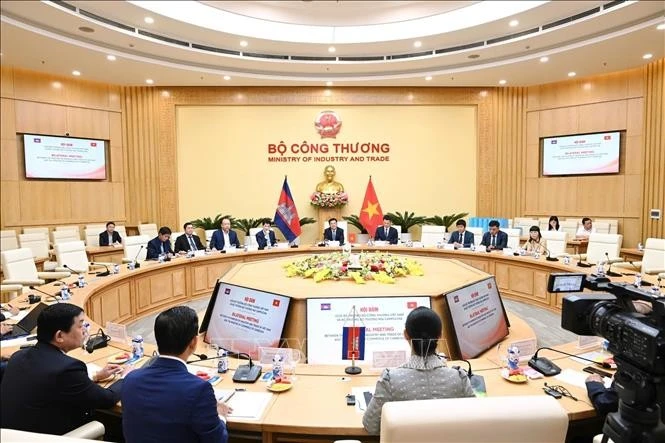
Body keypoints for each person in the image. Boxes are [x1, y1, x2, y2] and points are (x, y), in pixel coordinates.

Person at [1, 303, 126, 435]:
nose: (85, 330)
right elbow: (107, 400)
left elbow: (52, 383)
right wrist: (126, 377)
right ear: (59, 336)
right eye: (80, 326)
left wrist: (96, 376)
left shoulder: (18, 356)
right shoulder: (67, 369)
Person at [122, 306, 230, 443]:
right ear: (193, 342)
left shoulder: (130, 380)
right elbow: (218, 440)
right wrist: (220, 415)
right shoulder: (199, 390)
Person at [362, 307, 475, 435]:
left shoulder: (390, 380)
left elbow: (371, 426)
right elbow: (475, 422)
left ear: (406, 334)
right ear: (440, 335)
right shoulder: (459, 378)